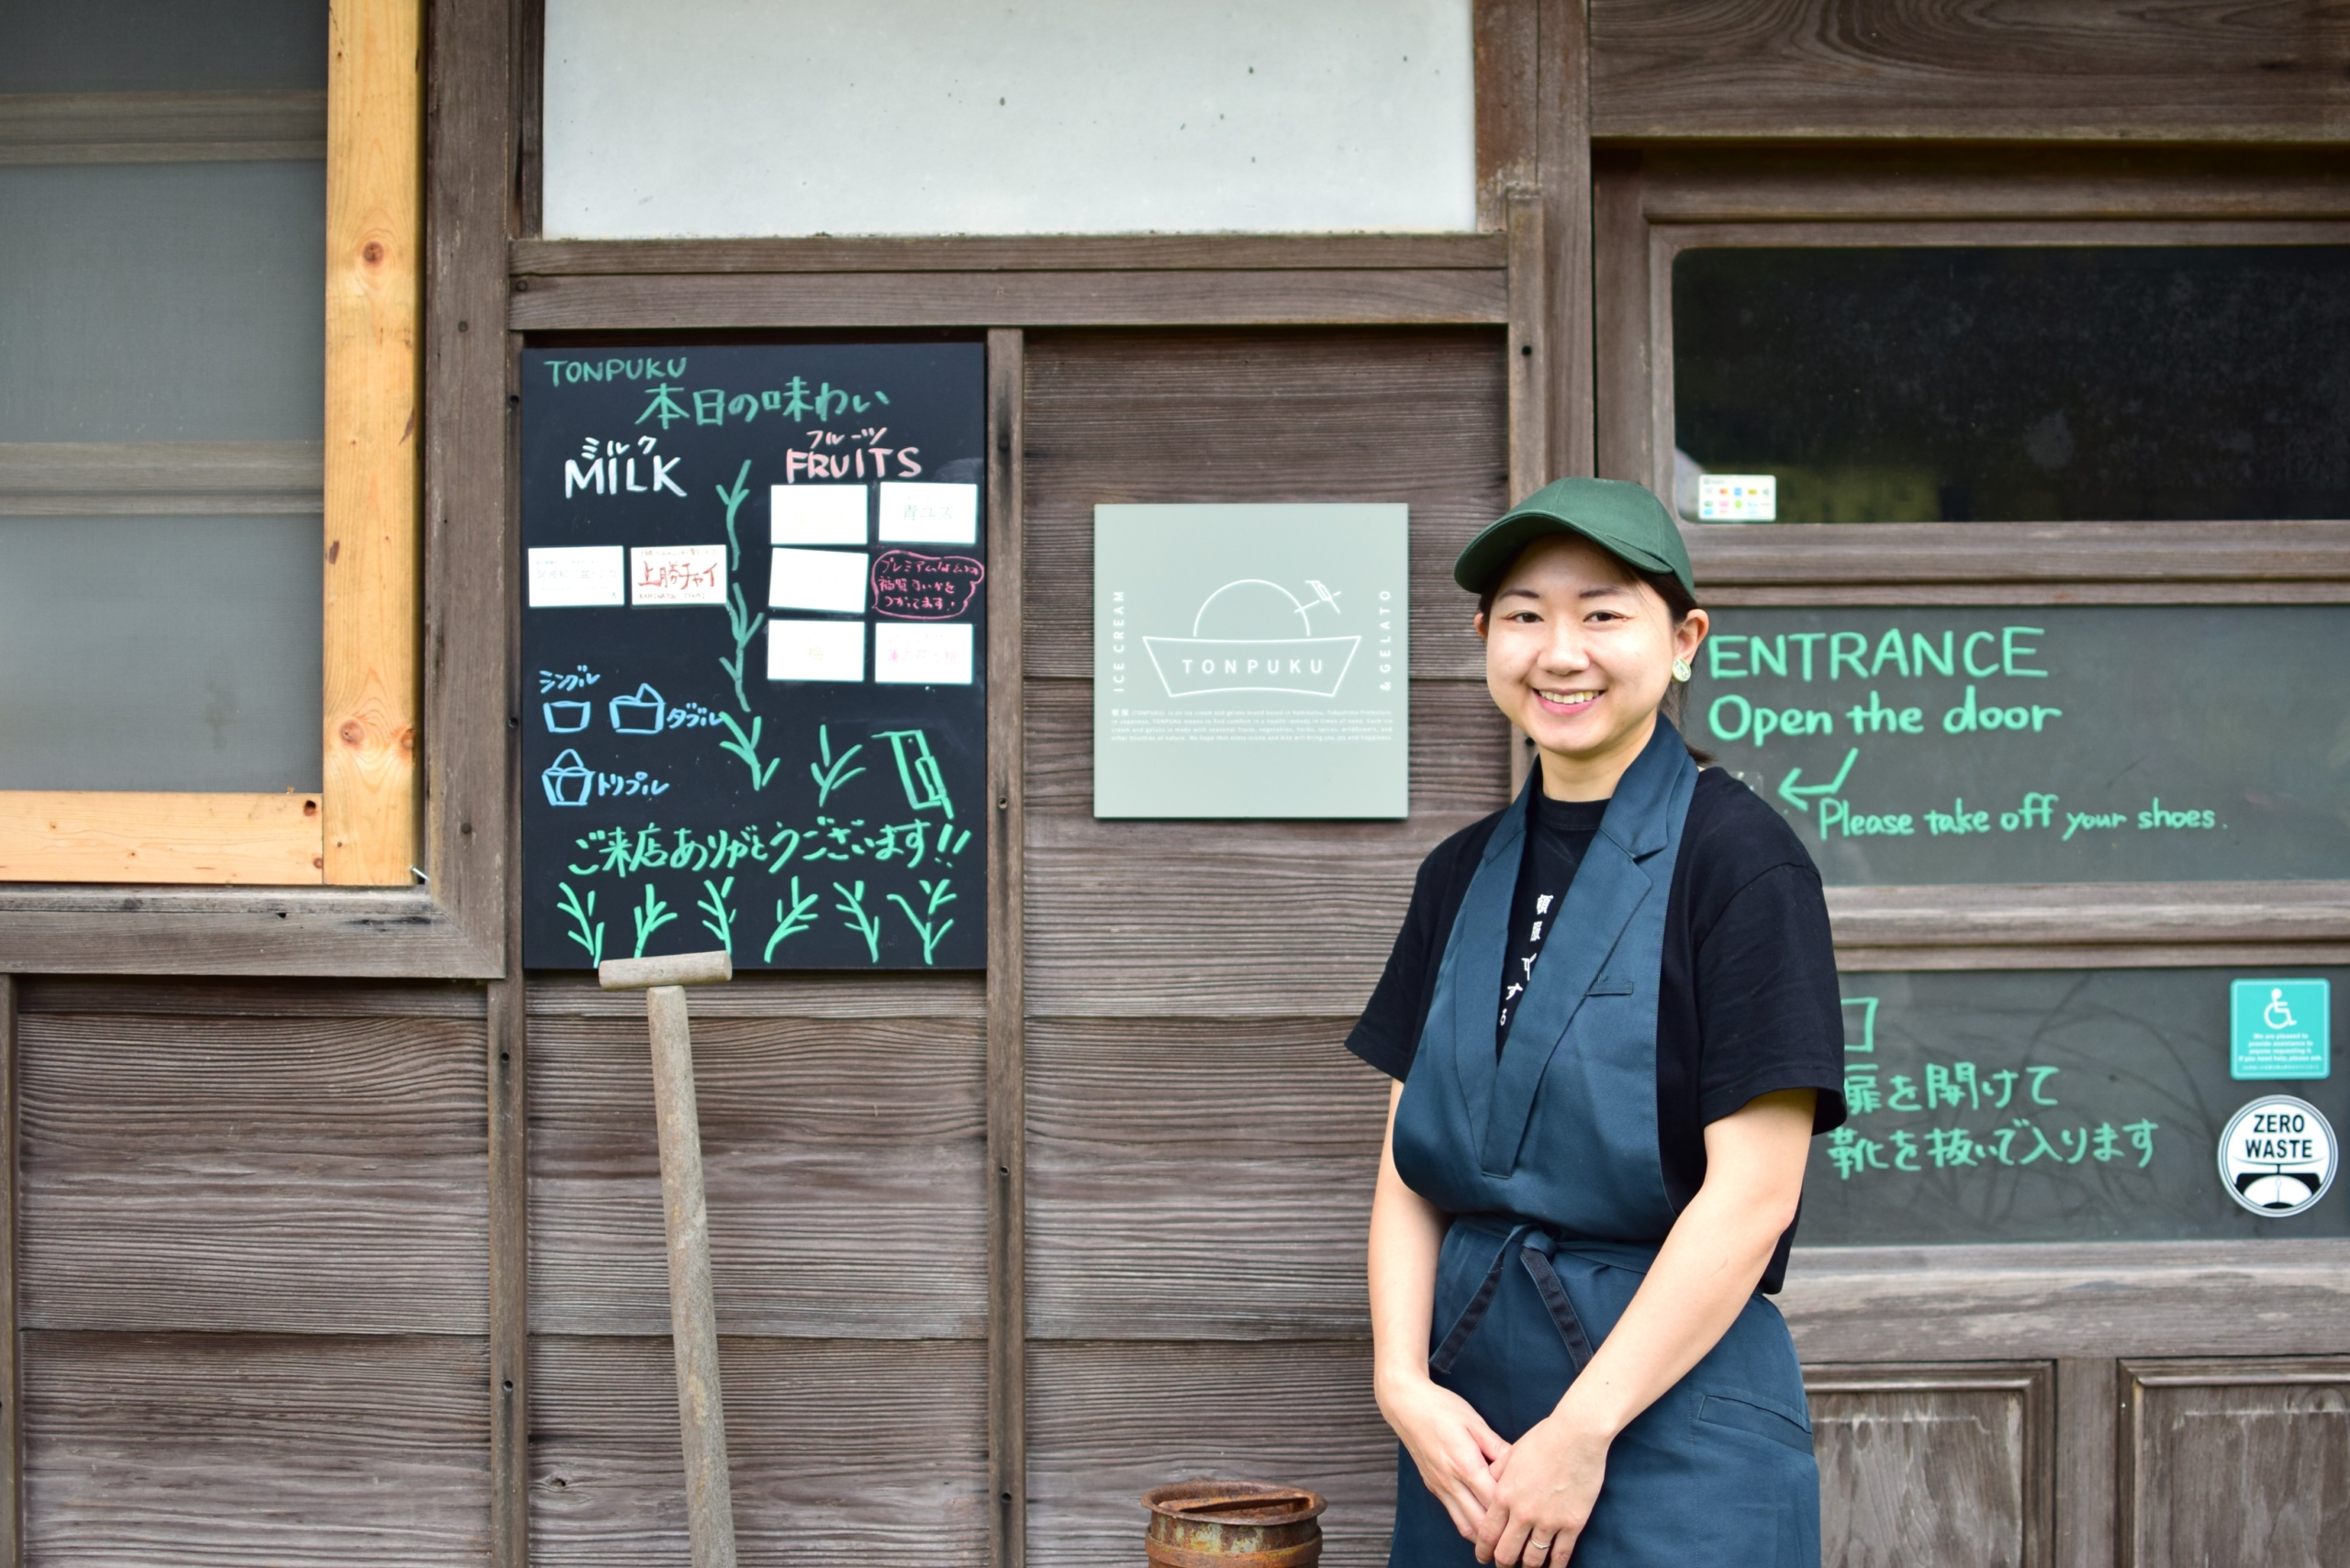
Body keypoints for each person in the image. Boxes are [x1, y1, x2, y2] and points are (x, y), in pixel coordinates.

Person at [1346, 478, 1848, 1567]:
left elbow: (1754, 1197)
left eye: (1603, 613)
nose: (1558, 651)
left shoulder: (1741, 864)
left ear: (1683, 640)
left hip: (1671, 1410)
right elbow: (1407, 1165)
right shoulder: (1457, 876)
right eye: (1524, 614)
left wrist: (1583, 1427)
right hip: (1466, 1419)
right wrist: (1401, 1387)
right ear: (1484, 637)